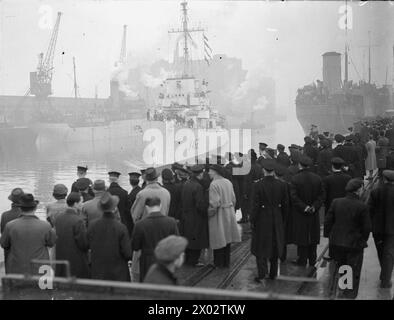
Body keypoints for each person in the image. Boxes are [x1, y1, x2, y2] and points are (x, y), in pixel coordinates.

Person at [325, 179, 372, 299]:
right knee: (353, 271)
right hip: (354, 244)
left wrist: (329, 236)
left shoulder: (336, 202)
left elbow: (328, 222)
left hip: (336, 243)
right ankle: (348, 294)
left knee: (340, 268)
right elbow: (366, 228)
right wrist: (362, 241)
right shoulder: (362, 206)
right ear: (358, 190)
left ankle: (339, 290)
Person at [251, 160, 288, 282]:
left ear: (263, 170)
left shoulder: (257, 185)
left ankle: (262, 274)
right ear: (274, 171)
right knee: (275, 246)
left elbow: (255, 206)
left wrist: (253, 220)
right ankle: (273, 273)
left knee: (261, 247)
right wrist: (282, 219)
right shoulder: (282, 185)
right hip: (277, 218)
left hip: (262, 219)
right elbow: (285, 205)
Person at [0, 194, 56, 275]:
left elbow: (4, 244)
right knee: (44, 287)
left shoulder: (10, 226)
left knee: (17, 287)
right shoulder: (46, 226)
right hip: (42, 270)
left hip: (17, 269)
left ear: (20, 208)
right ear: (35, 208)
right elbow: (51, 243)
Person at [131, 197, 179, 282]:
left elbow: (135, 246)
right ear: (160, 206)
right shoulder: (171, 222)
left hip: (147, 260)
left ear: (146, 207)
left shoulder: (140, 225)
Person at [87, 192, 132, 281]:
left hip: (98, 270)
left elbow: (86, 244)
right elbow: (128, 253)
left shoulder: (92, 225)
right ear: (114, 208)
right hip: (118, 272)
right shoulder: (120, 227)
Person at [290, 155, 325, 267]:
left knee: (302, 236)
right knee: (313, 235)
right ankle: (312, 259)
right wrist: (314, 206)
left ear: (300, 165)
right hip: (313, 212)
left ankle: (302, 259)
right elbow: (321, 196)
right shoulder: (317, 178)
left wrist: (304, 207)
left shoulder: (295, 179)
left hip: (301, 213)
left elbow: (293, 197)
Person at [208, 164, 241, 268]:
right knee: (227, 238)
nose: (208, 173)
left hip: (219, 213)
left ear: (215, 172)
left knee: (218, 238)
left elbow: (215, 203)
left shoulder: (214, 184)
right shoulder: (228, 182)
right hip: (229, 211)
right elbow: (234, 199)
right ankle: (226, 262)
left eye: (210, 171)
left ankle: (218, 263)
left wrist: (209, 213)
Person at [368, 170, 394, 288]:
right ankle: (385, 279)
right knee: (389, 253)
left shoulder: (375, 192)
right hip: (392, 229)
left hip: (377, 229)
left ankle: (384, 274)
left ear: (384, 179)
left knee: (381, 251)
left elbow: (369, 210)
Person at [54, 192, 89, 279]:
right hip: (76, 258)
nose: (82, 204)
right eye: (81, 202)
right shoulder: (78, 220)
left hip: (60, 256)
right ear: (76, 204)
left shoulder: (58, 218)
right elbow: (83, 243)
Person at [180, 164, 209, 266]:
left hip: (186, 216)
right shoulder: (198, 186)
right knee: (196, 240)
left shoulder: (187, 184)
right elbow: (200, 205)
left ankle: (188, 260)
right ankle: (193, 262)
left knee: (188, 239)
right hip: (196, 217)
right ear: (199, 174)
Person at [1, 188, 24, 271]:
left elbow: (3, 234)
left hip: (9, 250)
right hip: (23, 251)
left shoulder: (4, 215)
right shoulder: (27, 215)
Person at [107, 171, 134, 237]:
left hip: (108, 223)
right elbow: (129, 210)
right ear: (118, 179)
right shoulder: (124, 192)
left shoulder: (106, 193)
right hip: (122, 222)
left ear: (109, 179)